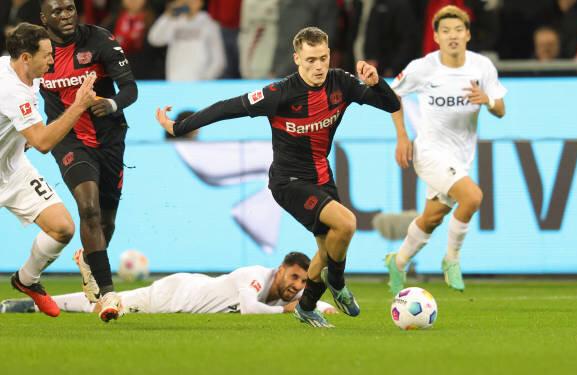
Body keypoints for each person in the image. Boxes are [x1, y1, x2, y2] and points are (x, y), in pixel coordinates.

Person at [155, 27, 403, 328]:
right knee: (346, 222)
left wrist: (377, 83)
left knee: (327, 250)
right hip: (288, 182)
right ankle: (337, 283)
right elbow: (227, 108)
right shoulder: (279, 93)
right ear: (297, 58)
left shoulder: (342, 83)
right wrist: (180, 127)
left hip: (322, 176)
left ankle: (307, 306)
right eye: (311, 59)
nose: (318, 66)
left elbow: (390, 104)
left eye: (323, 58)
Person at [384, 6, 507, 295]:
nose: (452, 35)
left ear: (468, 34)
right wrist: (402, 136)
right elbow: (391, 95)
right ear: (436, 37)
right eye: (446, 31)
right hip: (428, 152)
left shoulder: (482, 67)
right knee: (472, 197)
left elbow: (501, 109)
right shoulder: (423, 68)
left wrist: (487, 99)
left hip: (460, 157)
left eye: (458, 30)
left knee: (432, 218)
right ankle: (451, 260)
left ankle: (397, 262)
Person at [38, 0, 139, 322]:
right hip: (68, 139)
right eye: (58, 11)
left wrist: (111, 104)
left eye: (70, 8)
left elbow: (130, 88)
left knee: (106, 220)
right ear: (44, 18)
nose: (66, 15)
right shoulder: (38, 51)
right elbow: (18, 91)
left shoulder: (99, 40)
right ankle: (109, 294)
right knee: (89, 208)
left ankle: (90, 259)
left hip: (109, 138)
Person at [0, 22, 96, 317]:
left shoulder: (21, 70)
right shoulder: (12, 90)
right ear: (26, 58)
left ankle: (27, 279)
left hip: (12, 168)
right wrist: (79, 106)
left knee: (63, 228)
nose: (52, 60)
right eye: (46, 56)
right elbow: (42, 142)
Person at [1, 252, 337, 316]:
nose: (297, 286)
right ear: (280, 270)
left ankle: (32, 304)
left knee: (103, 305)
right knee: (104, 307)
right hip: (174, 296)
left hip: (185, 293)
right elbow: (250, 308)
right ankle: (28, 304)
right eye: (294, 277)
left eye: (302, 283)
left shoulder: (285, 293)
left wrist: (324, 306)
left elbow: (308, 302)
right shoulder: (255, 275)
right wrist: (288, 312)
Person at [147, 0, 226, 81]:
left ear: (201, 3)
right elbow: (154, 39)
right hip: (175, 81)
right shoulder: (173, 20)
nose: (189, 2)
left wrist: (206, 79)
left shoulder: (209, 23)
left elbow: (218, 59)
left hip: (200, 82)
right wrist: (167, 15)